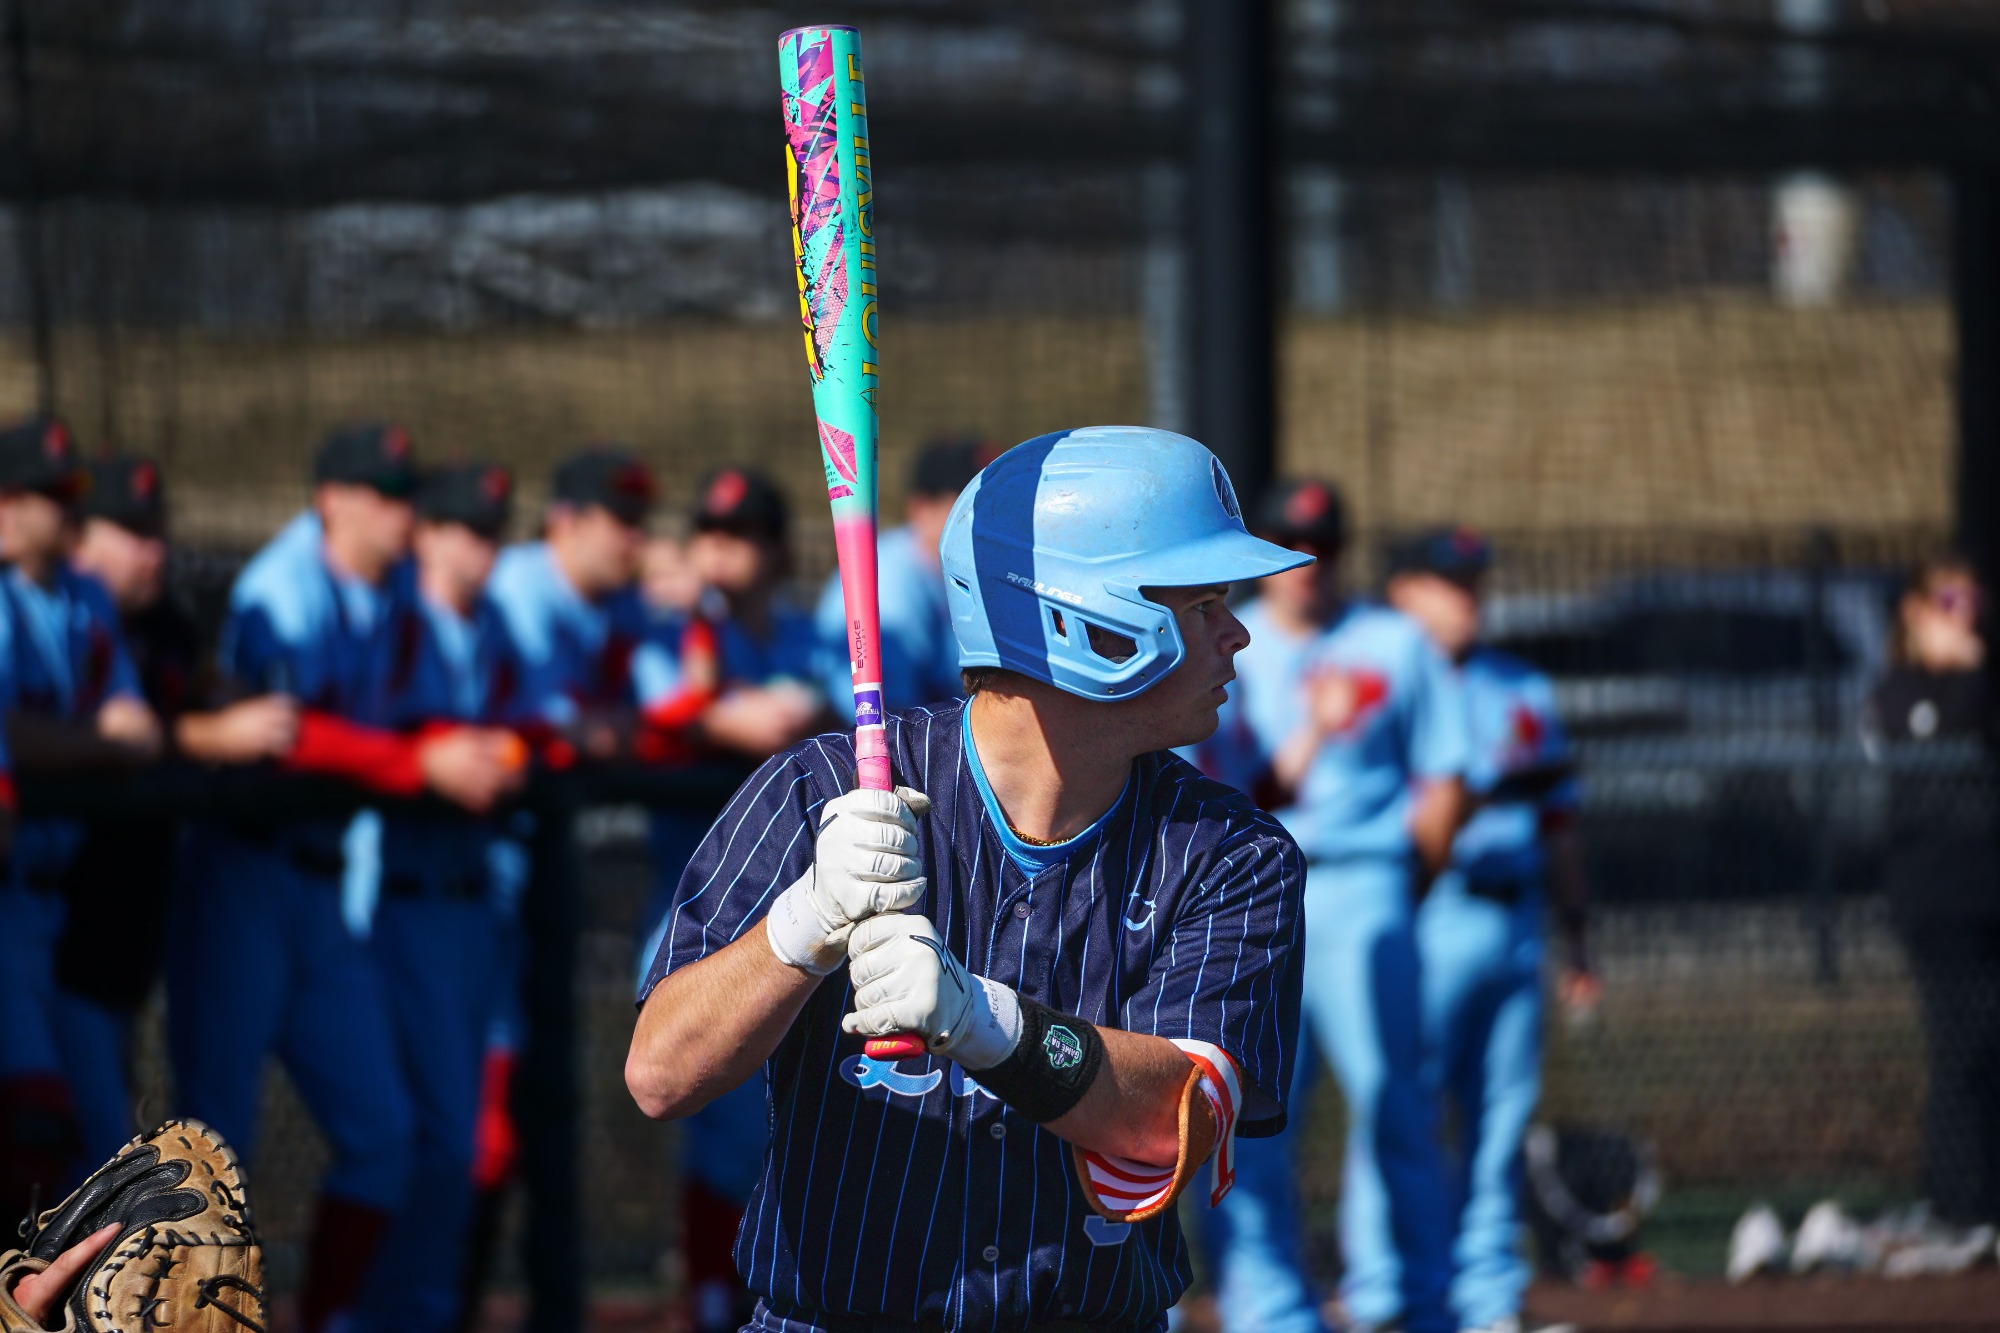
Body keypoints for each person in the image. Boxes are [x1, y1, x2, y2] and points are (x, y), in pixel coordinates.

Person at [628, 426, 1308, 1332]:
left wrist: (987, 1025)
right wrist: (803, 927)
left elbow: (1176, 1124)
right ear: (1088, 623)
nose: (1238, 633)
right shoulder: (823, 790)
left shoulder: (1233, 853)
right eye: (1202, 601)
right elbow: (659, 1073)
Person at [168, 423, 521, 1333]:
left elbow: (402, 716)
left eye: (409, 495)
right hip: (245, 877)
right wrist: (417, 763)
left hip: (326, 895)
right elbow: (284, 735)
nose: (404, 512)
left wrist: (448, 742)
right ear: (333, 498)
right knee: (213, 1149)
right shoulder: (284, 586)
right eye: (386, 495)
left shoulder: (395, 586)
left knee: (385, 1140)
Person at [1192, 479, 1469, 1333]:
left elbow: (1444, 777)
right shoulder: (1227, 639)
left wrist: (1403, 891)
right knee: (1248, 1110)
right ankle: (1273, 1310)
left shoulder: (1393, 641)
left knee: (1393, 1098)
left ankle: (1407, 1300)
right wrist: (1314, 730)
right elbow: (1225, 786)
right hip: (1256, 890)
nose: (1305, 564)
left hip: (1363, 879)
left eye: (1322, 544)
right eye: (1286, 543)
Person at [52, 456, 298, 1169]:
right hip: (55, 924)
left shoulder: (165, 622)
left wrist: (208, 705)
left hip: (129, 922)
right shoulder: (60, 613)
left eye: (157, 531)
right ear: (80, 537)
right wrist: (207, 735)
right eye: (130, 531)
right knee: (77, 1152)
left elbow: (182, 695)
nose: (152, 549)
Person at [638, 465, 831, 1333]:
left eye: (744, 535)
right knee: (714, 1108)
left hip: (806, 906)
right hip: (696, 902)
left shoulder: (803, 630)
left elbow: (830, 708)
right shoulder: (682, 629)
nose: (724, 551)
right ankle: (712, 1300)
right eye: (712, 533)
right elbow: (672, 708)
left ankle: (761, 1291)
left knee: (784, 1117)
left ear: (778, 549)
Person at [1386, 529, 1595, 1333]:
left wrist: (1579, 938)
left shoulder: (1522, 688)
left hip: (1517, 916)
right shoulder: (1390, 681)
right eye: (1448, 581)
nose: (1469, 595)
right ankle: (1414, 1291)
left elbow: (1563, 823)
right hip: (1432, 913)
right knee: (1411, 1112)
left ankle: (1486, 1298)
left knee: (1501, 1117)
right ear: (1405, 589)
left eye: (1475, 580)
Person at [350, 462, 531, 1333]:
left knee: (455, 1140)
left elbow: (533, 728)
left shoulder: (489, 621)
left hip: (472, 907)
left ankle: (419, 1309)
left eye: (491, 531)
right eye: (464, 528)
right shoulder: (400, 614)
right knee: (407, 1138)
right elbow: (368, 726)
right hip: (394, 899)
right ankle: (376, 1310)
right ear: (427, 533)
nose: (480, 545)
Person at [0, 418, 158, 1222]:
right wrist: (92, 739)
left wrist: (71, 741)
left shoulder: (82, 595)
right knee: (33, 1124)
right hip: (9, 893)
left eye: (73, 496)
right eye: (48, 495)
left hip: (59, 904)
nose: (67, 510)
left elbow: (138, 725)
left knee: (96, 1156)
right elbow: (15, 733)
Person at [1865, 555, 2000, 1251]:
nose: (1966, 611)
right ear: (1915, 610)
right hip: (1938, 902)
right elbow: (1937, 757)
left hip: (1987, 899)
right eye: (1950, 598)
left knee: (1988, 1048)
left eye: (1974, 598)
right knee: (1960, 1049)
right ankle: (1958, 1204)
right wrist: (1970, 672)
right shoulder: (1900, 690)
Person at [815, 436, 992, 716]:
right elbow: (884, 721)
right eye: (971, 504)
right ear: (921, 508)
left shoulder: (960, 575)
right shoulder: (889, 583)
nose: (989, 519)